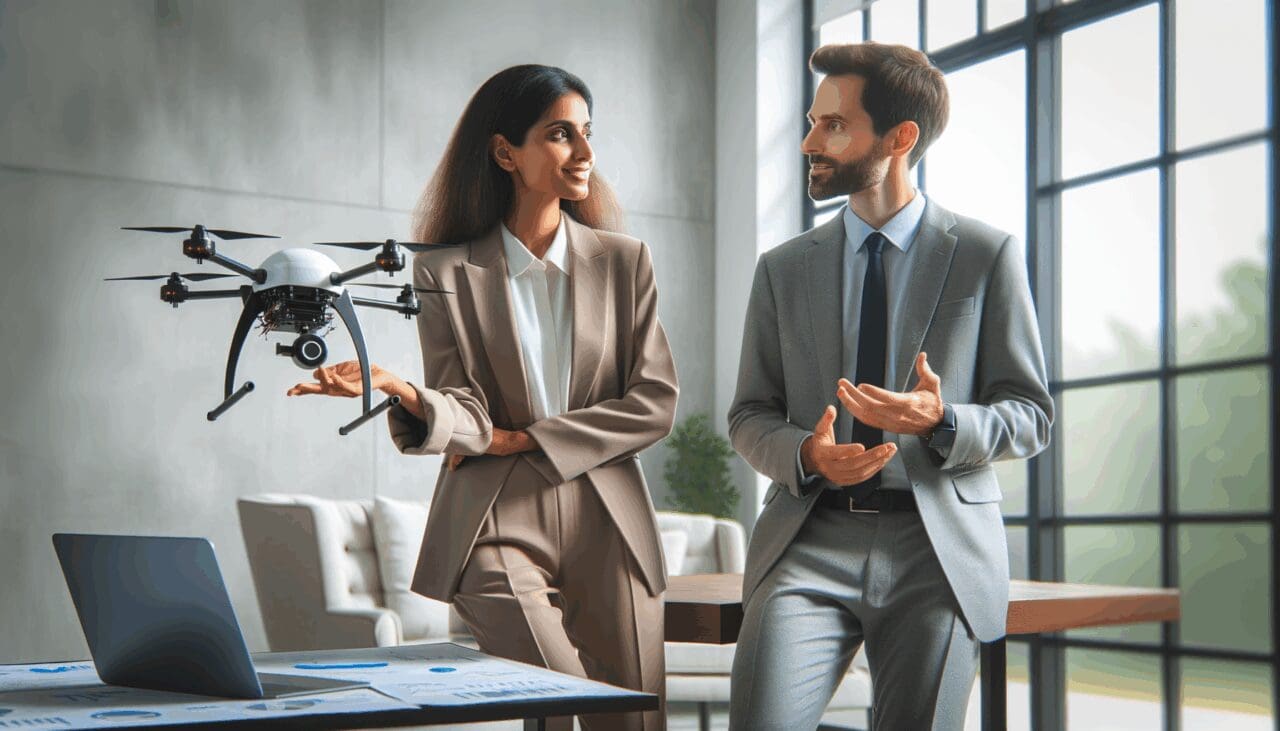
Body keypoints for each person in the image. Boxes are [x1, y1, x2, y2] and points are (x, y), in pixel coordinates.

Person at [289, 64, 678, 731]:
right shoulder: (443, 271)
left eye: (587, 132)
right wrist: (400, 388)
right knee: (558, 699)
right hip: (496, 513)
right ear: (505, 152)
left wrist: (525, 437)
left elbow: (654, 401)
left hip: (608, 513)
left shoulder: (624, 261)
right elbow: (464, 403)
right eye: (561, 134)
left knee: (633, 720)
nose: (585, 152)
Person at [726, 42, 1053, 729]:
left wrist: (943, 420)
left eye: (834, 125)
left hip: (936, 546)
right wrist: (807, 454)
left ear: (900, 138)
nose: (810, 142)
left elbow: (1029, 414)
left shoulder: (985, 255)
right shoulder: (782, 268)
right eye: (813, 123)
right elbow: (750, 414)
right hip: (808, 538)